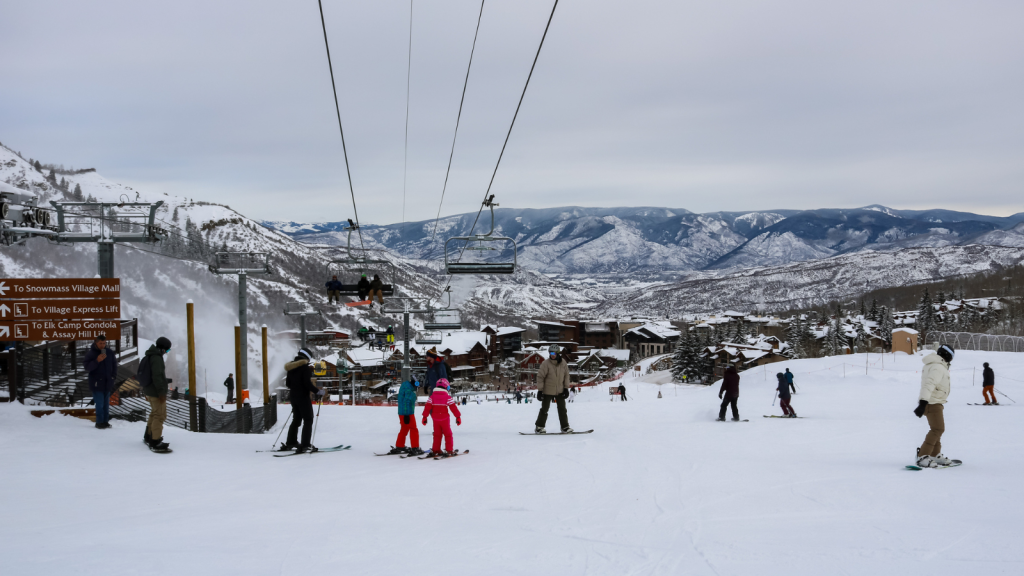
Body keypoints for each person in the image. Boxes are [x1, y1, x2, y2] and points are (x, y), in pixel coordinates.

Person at [915, 345, 956, 467]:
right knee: (938, 429)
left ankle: (934, 454)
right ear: (947, 355)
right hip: (932, 402)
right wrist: (923, 402)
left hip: (934, 401)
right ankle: (923, 456)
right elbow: (929, 384)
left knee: (936, 429)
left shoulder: (934, 365)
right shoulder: (938, 367)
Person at [283, 348, 323, 453]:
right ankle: (305, 444)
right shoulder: (305, 368)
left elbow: (288, 384)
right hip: (303, 397)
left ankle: (291, 442)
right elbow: (307, 384)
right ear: (307, 358)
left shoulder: (291, 367)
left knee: (296, 419)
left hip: (293, 397)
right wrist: (317, 391)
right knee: (308, 419)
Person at [140, 337, 173, 452]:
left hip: (149, 390)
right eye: (167, 350)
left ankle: (148, 436)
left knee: (154, 413)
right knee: (160, 415)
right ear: (163, 349)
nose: (167, 352)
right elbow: (157, 376)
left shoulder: (149, 356)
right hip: (155, 392)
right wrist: (161, 392)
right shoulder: (157, 358)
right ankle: (155, 441)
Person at [83, 335, 118, 429]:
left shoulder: (109, 352)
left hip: (108, 382)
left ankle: (105, 421)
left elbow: (114, 364)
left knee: (106, 404)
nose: (102, 345)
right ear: (96, 343)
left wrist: (113, 376)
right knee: (99, 404)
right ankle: (99, 422)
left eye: (104, 343)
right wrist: (97, 360)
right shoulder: (91, 354)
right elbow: (87, 367)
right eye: (100, 343)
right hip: (96, 383)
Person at [535, 346, 572, 433]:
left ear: (558, 353)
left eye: (554, 353)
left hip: (560, 390)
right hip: (547, 391)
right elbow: (540, 377)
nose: (552, 355)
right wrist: (540, 390)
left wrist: (566, 388)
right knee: (544, 409)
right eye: (551, 353)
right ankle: (539, 427)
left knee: (562, 409)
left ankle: (565, 427)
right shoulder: (546, 364)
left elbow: (566, 376)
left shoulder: (563, 363)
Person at [422, 378, 461, 456]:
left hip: (435, 419)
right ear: (446, 387)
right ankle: (449, 449)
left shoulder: (432, 397)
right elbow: (453, 407)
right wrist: (458, 417)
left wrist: (425, 417)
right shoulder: (447, 397)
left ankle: (436, 449)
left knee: (437, 434)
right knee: (448, 434)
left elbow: (427, 407)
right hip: (444, 419)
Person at [387, 377, 423, 455]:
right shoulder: (409, 390)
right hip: (408, 413)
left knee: (404, 428)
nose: (417, 387)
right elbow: (406, 402)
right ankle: (415, 447)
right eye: (417, 385)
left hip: (401, 413)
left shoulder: (405, 386)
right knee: (413, 429)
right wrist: (407, 415)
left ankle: (400, 445)